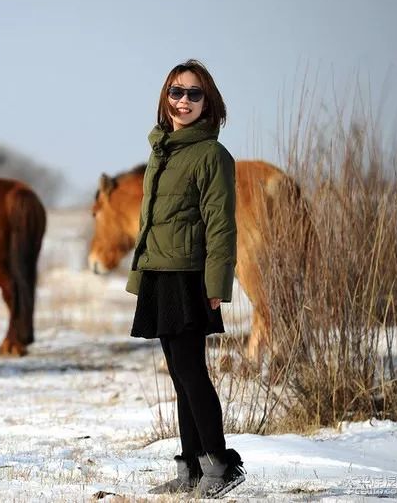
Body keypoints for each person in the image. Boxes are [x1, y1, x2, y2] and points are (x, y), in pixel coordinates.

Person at [126, 59, 245, 498]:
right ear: (165, 98)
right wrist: (142, 273)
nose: (184, 101)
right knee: (179, 374)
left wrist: (216, 285)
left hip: (189, 275)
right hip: (160, 271)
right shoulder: (162, 150)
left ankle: (221, 465)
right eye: (177, 92)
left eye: (194, 94)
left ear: (208, 101)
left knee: (192, 372)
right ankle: (191, 469)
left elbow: (221, 224)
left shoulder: (211, 154)